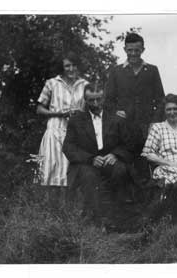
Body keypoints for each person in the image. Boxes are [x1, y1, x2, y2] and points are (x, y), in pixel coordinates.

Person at [62, 83, 134, 228]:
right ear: (85, 100)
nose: (95, 104)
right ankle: (97, 222)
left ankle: (117, 220)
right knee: (89, 177)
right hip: (87, 162)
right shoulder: (76, 120)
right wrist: (90, 159)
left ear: (104, 98)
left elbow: (129, 144)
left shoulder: (116, 118)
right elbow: (68, 147)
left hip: (110, 160)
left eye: (98, 99)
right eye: (91, 100)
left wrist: (115, 155)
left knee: (121, 171)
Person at [104, 32, 165, 178]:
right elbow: (108, 101)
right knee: (124, 167)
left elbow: (161, 100)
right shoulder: (116, 71)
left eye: (136, 50)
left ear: (142, 50)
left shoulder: (151, 70)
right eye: (129, 50)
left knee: (145, 167)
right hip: (124, 130)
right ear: (125, 49)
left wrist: (154, 123)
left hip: (146, 129)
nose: (133, 54)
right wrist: (115, 112)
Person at [37, 51, 88, 188]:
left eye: (74, 65)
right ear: (62, 67)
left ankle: (70, 209)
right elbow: (40, 109)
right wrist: (59, 113)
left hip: (77, 134)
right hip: (55, 131)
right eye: (67, 66)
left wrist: (80, 113)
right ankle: (50, 209)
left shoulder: (85, 85)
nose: (71, 69)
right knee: (51, 173)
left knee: (71, 173)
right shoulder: (52, 83)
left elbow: (92, 109)